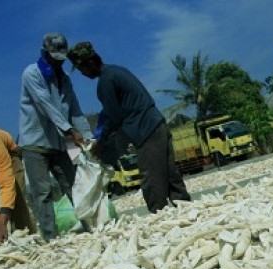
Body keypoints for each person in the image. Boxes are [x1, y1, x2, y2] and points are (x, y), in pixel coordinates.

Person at [67, 41, 191, 213]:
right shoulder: (117, 70)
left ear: (90, 63)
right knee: (169, 171)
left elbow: (114, 117)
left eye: (82, 69)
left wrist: (102, 142)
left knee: (152, 177)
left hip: (145, 130)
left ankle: (159, 213)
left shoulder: (105, 82)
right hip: (157, 123)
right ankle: (185, 206)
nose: (82, 74)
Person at [19, 32, 92, 240]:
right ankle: (51, 238)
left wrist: (86, 135)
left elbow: (74, 108)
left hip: (61, 141)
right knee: (42, 193)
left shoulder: (65, 78)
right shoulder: (31, 74)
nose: (59, 63)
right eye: (55, 58)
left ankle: (90, 227)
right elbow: (45, 106)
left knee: (74, 183)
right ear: (46, 54)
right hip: (36, 142)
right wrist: (70, 130)